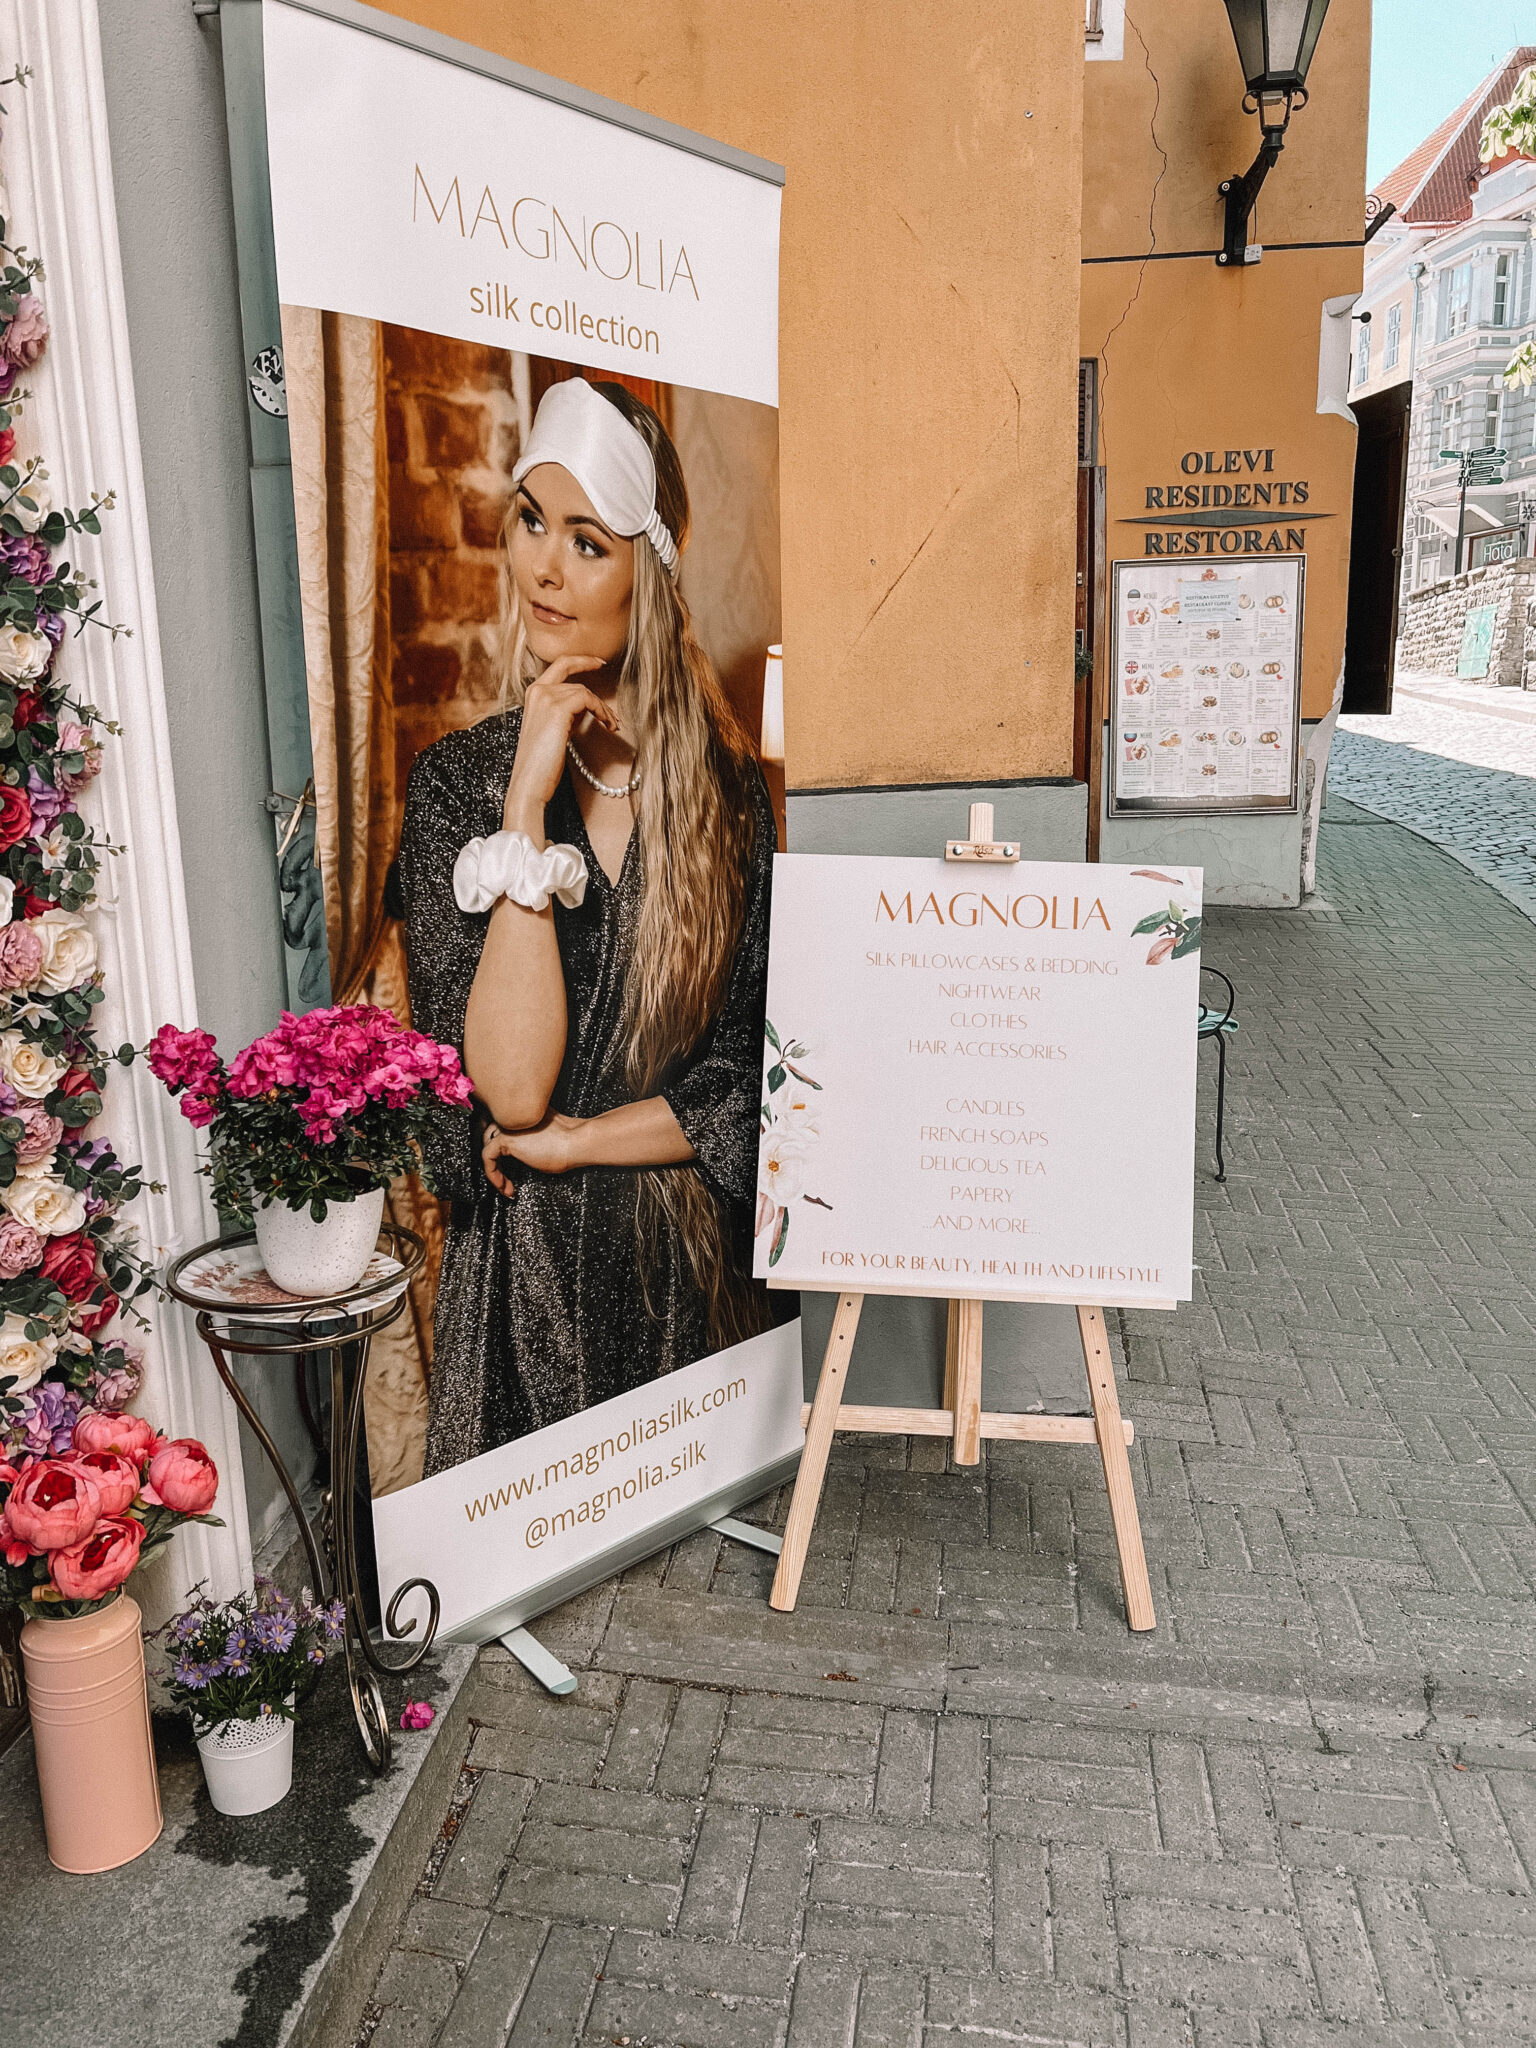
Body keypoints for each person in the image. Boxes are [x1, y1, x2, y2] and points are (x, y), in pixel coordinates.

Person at [400, 376, 782, 1474]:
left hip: (692, 1296)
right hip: (523, 1304)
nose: (544, 569)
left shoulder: (728, 798)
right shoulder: (457, 788)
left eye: (587, 542)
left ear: (648, 569)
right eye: (531, 522)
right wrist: (524, 807)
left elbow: (744, 1079)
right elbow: (511, 1094)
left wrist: (578, 1143)